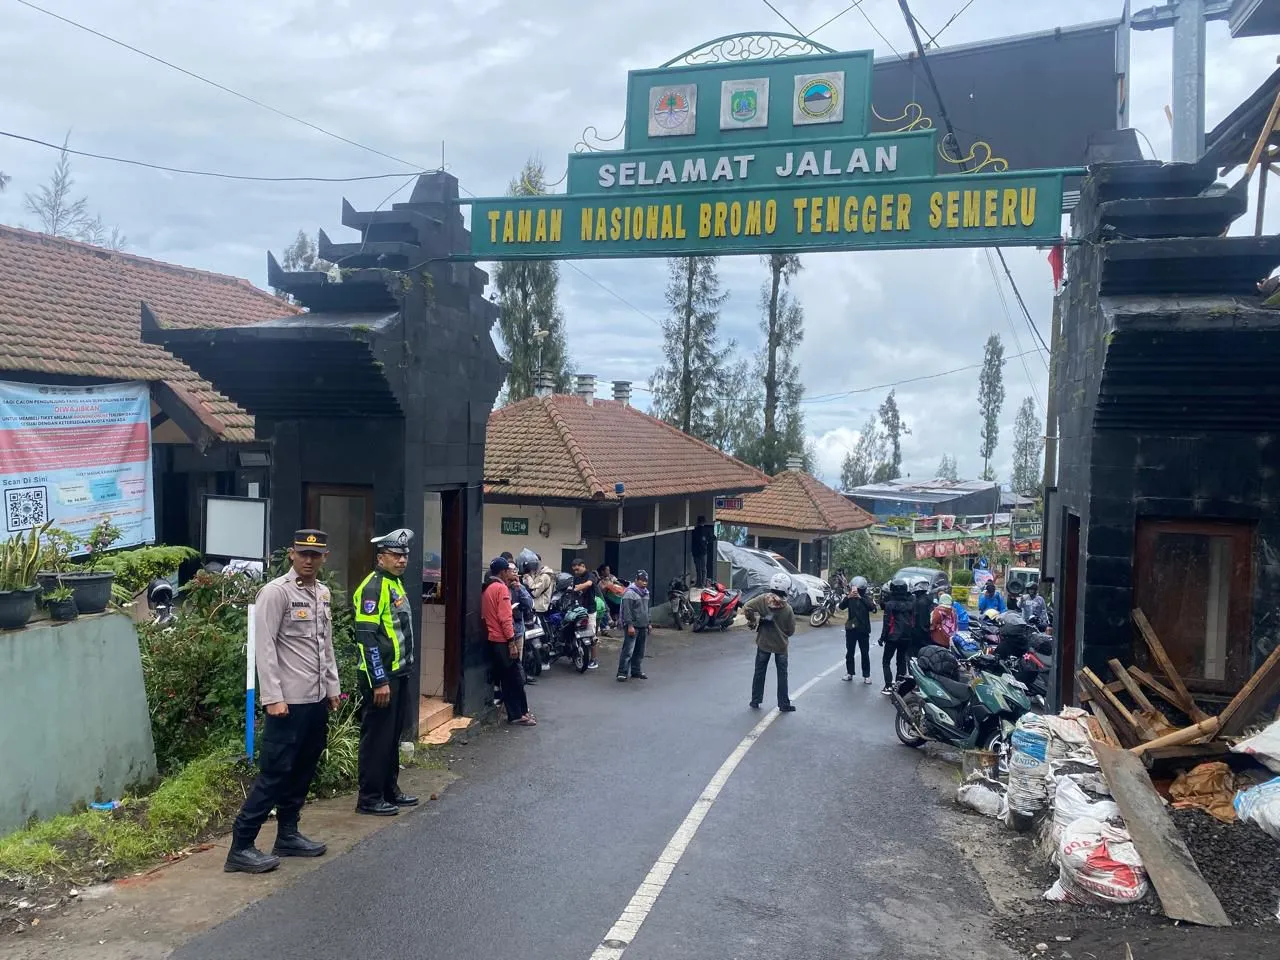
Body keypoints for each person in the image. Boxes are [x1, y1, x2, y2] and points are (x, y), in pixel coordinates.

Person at [225, 530, 340, 874]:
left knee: (303, 769)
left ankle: (287, 834)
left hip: (315, 699)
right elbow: (265, 647)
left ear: (324, 557)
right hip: (287, 703)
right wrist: (272, 697)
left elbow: (325, 646)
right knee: (274, 774)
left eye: (315, 555)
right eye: (302, 553)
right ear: (291, 554)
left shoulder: (322, 593)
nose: (308, 560)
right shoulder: (276, 593)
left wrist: (332, 688)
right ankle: (241, 845)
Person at [352, 528, 419, 817]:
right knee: (377, 739)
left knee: (391, 738)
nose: (402, 560)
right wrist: (379, 680)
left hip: (399, 674)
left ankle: (389, 789)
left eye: (405, 555)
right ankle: (369, 798)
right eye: (395, 555)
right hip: (381, 678)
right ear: (381, 558)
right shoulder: (374, 586)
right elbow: (366, 637)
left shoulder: (395, 583)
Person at [482, 558, 535, 725]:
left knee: (508, 678)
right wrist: (511, 642)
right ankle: (517, 714)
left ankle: (518, 713)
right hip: (503, 640)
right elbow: (505, 618)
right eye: (509, 571)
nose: (511, 574)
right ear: (503, 572)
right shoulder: (501, 589)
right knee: (513, 679)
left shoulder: (488, 589)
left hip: (493, 639)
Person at [744, 573, 797, 712]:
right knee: (782, 674)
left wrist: (752, 621)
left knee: (759, 672)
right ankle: (783, 703)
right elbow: (791, 631)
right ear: (786, 589)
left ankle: (755, 701)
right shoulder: (788, 609)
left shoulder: (762, 600)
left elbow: (747, 607)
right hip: (781, 645)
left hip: (763, 642)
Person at [878, 578, 916, 695]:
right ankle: (899, 684)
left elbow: (887, 623)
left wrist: (882, 638)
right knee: (901, 661)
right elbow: (913, 621)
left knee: (886, 661)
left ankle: (888, 686)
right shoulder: (911, 605)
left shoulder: (890, 605)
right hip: (906, 637)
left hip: (892, 637)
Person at [838, 576, 877, 684]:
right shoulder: (849, 598)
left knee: (865, 653)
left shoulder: (866, 598)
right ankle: (850, 672)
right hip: (851, 628)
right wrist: (848, 597)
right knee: (849, 652)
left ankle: (866, 675)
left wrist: (860, 597)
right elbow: (841, 607)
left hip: (863, 629)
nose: (855, 591)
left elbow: (873, 608)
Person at [616, 569, 651, 681]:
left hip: (643, 626)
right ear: (636, 580)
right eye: (642, 580)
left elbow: (646, 610)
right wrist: (630, 625)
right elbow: (627, 611)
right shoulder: (630, 593)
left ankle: (636, 671)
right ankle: (622, 672)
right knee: (628, 650)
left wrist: (649, 623)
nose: (644, 582)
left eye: (646, 580)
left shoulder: (646, 593)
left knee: (640, 651)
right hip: (633, 626)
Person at [569, 558, 601, 669]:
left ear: (583, 566)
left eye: (577, 569)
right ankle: (576, 655)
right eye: (574, 570)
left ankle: (594, 659)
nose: (576, 572)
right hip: (578, 610)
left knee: (591, 636)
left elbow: (589, 583)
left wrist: (578, 587)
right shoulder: (575, 578)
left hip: (590, 610)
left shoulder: (590, 575)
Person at [910, 579, 934, 655]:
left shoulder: (921, 602)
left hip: (920, 635)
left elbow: (921, 621)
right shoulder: (929, 599)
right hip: (928, 633)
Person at [691, 516, 716, 586]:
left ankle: (699, 583)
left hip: (696, 551)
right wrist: (707, 541)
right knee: (703, 568)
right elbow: (714, 538)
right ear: (704, 522)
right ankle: (702, 583)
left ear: (697, 522)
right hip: (703, 551)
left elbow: (692, 541)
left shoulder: (694, 530)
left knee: (698, 568)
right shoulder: (706, 530)